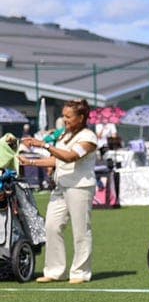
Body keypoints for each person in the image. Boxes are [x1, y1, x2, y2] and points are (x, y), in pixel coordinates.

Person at [20, 99, 97, 283]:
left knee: (81, 231)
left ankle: (80, 273)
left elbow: (70, 157)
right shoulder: (64, 136)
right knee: (52, 226)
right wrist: (30, 162)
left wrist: (43, 145)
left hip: (80, 187)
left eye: (68, 116)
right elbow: (58, 161)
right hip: (61, 186)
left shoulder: (88, 137)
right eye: (64, 115)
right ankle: (55, 271)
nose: (64, 119)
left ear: (81, 117)